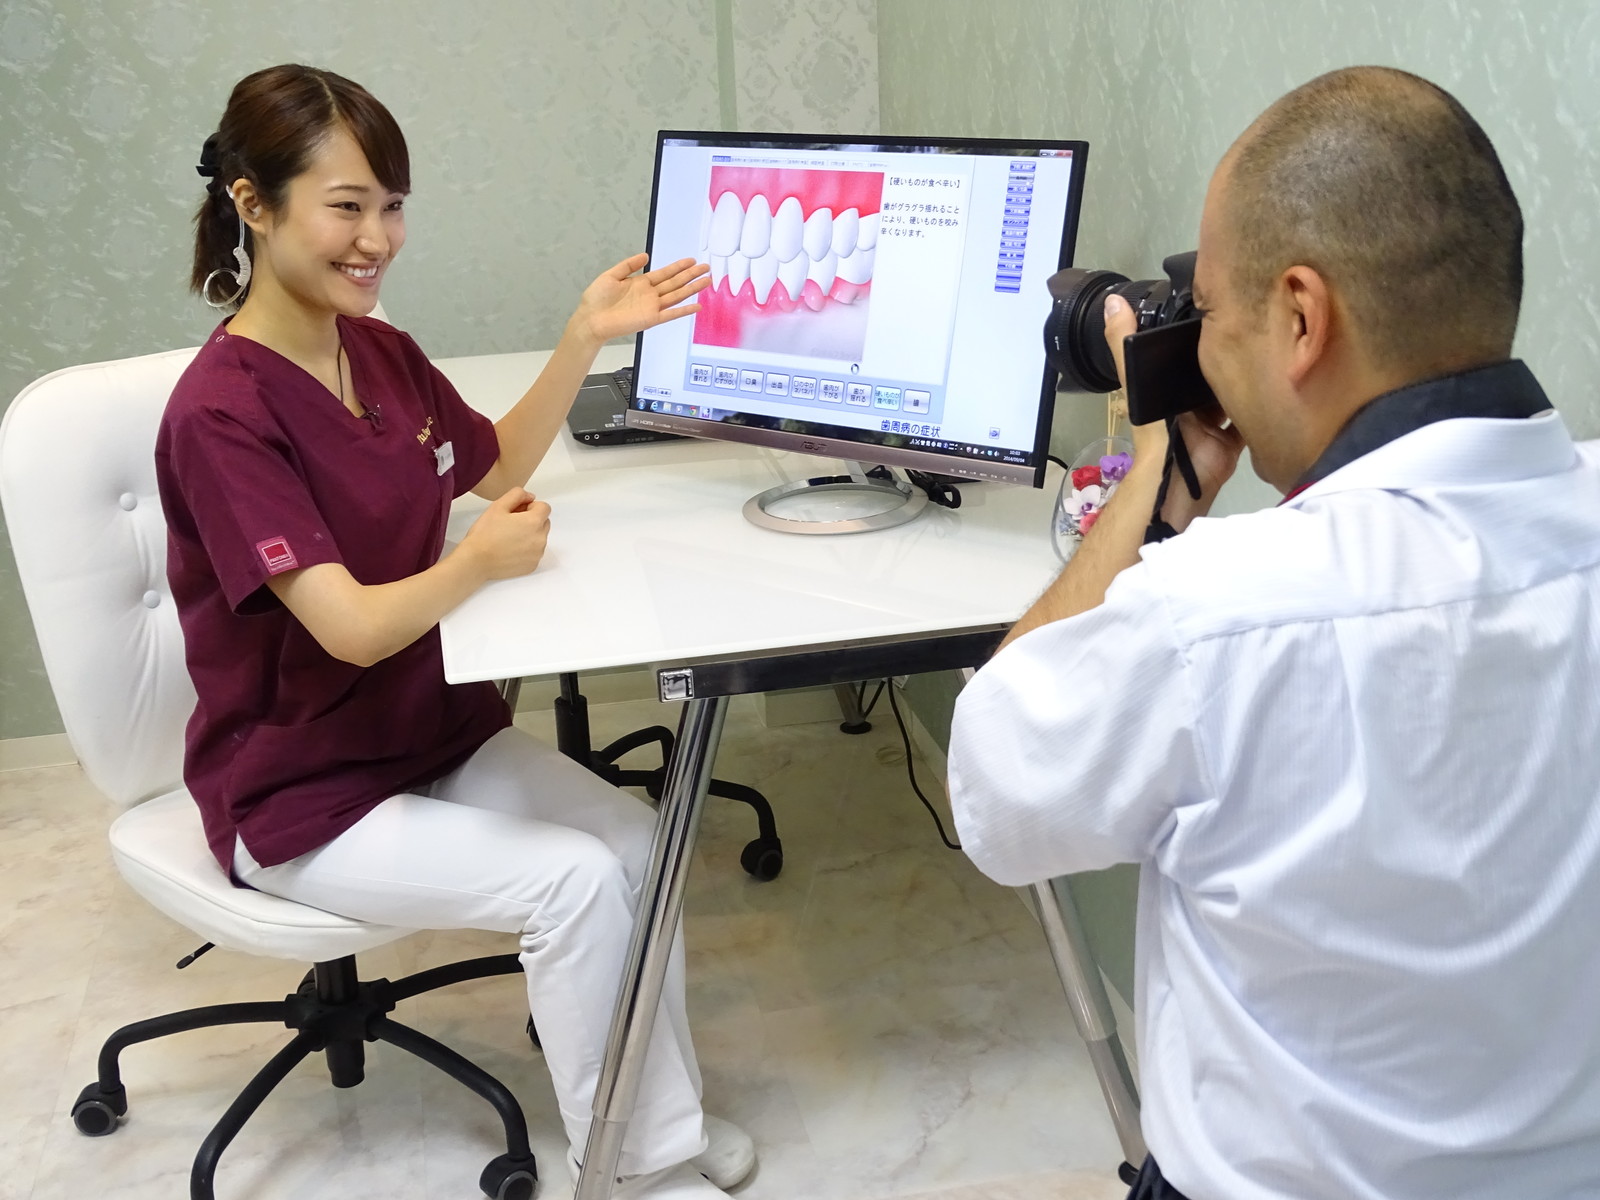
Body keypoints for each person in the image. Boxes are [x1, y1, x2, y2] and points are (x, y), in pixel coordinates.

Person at [949, 66, 1600, 1200]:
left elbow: (995, 796)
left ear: (1301, 317)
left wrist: (1157, 478)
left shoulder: (1216, 613)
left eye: (1209, 312)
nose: (1202, 348)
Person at [155, 64, 751, 1200]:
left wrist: (582, 336)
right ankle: (632, 1169)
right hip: (304, 794)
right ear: (252, 202)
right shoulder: (221, 413)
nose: (377, 238)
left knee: (638, 849)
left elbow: (495, 460)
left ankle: (657, 1125)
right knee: (573, 884)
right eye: (346, 206)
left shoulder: (375, 350)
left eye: (392, 205)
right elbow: (349, 630)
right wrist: (472, 562)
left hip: (430, 737)